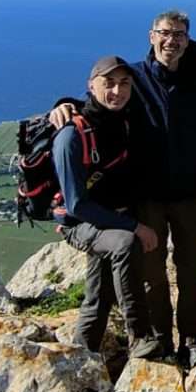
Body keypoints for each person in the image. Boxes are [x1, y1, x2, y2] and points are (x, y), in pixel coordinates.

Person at [126, 10, 196, 368]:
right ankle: (159, 339)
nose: (170, 41)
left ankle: (192, 340)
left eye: (178, 35)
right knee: (152, 273)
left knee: (194, 270)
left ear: (189, 42)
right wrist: (62, 106)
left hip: (189, 194)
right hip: (146, 197)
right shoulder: (132, 78)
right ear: (150, 36)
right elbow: (97, 101)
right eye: (164, 33)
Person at [53, 55, 161, 356]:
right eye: (108, 83)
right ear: (92, 86)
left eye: (124, 83)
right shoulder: (72, 135)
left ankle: (82, 356)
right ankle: (140, 336)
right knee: (125, 243)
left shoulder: (124, 120)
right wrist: (135, 226)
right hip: (81, 222)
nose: (117, 90)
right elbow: (76, 205)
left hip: (109, 218)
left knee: (98, 295)